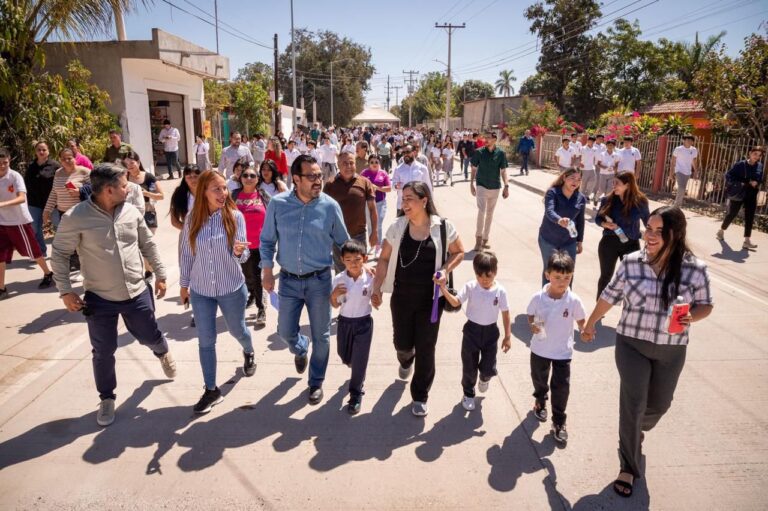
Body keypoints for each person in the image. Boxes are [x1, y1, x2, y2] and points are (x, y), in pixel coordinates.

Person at [582, 206, 714, 498]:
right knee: (633, 402)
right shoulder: (630, 263)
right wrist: (590, 323)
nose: (649, 236)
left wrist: (692, 316)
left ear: (674, 234)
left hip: (672, 350)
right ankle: (628, 465)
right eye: (648, 229)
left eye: (658, 231)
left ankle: (635, 429)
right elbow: (609, 297)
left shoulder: (695, 269)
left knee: (658, 406)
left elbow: (706, 303)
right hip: (631, 345)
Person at [51, 163, 176, 426]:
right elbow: (61, 253)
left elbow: (147, 243)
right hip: (99, 298)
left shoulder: (131, 210)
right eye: (123, 184)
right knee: (103, 351)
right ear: (108, 190)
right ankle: (107, 398)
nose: (128, 187)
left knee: (149, 335)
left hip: (137, 291)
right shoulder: (76, 217)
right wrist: (66, 291)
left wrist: (161, 275)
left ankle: (162, 350)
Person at [260, 154, 349, 405]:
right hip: (288, 281)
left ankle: (316, 382)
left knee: (321, 335)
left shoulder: (330, 206)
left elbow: (344, 243)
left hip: (320, 281)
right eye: (312, 176)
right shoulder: (278, 204)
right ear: (296, 179)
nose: (318, 180)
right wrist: (267, 271)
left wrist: (358, 268)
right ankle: (300, 348)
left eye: (320, 175)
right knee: (285, 331)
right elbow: (267, 241)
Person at [371, 182, 464, 417]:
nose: (404, 204)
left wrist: (444, 269)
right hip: (401, 297)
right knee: (402, 344)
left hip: (430, 301)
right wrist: (377, 287)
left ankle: (420, 394)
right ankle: (405, 359)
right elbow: (383, 259)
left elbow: (459, 251)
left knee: (426, 347)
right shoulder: (397, 227)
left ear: (424, 201)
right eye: (403, 199)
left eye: (409, 199)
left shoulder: (443, 227)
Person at [179, 171, 256, 414]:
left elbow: (243, 255)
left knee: (237, 330)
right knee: (206, 340)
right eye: (217, 189)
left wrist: (238, 251)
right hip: (201, 290)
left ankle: (248, 350)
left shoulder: (235, 217)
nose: (223, 193)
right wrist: (184, 285)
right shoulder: (192, 219)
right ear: (203, 191)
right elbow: (186, 253)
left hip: (231, 288)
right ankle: (211, 390)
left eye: (224, 188)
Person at [526, 251, 586, 445]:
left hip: (562, 352)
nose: (562, 282)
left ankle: (559, 421)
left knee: (561, 388)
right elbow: (530, 314)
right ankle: (540, 401)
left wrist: (585, 330)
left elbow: (581, 320)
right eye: (557, 277)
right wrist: (533, 325)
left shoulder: (574, 300)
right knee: (539, 379)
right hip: (540, 349)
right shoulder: (538, 298)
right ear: (547, 275)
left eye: (567, 277)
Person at [439, 251, 510, 412]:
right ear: (475, 273)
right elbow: (456, 302)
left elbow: (505, 313)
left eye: (488, 276)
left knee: (488, 367)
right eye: (480, 275)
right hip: (471, 332)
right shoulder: (471, 287)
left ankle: (484, 378)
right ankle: (468, 393)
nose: (484, 279)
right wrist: (443, 289)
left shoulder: (500, 291)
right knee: (469, 366)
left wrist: (507, 336)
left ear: (495, 272)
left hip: (491, 333)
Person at [0, 148, 54, 299]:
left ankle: (48, 274)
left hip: (19, 221)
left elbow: (21, 198)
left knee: (33, 252)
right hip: (1, 223)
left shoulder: (15, 176)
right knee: (0, 256)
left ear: (9, 160)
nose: (2, 166)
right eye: (0, 163)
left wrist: (2, 205)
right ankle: (2, 288)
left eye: (5, 162)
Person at [331, 239, 375, 415]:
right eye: (348, 260)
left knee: (359, 361)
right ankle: (354, 366)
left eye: (357, 259)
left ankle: (355, 394)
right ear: (342, 260)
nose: (353, 264)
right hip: (345, 323)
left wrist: (377, 298)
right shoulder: (339, 279)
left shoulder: (370, 277)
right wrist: (334, 296)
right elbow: (334, 305)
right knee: (344, 355)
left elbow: (376, 296)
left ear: (364, 258)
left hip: (364, 323)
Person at [595, 173, 650, 299]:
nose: (614, 186)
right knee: (606, 276)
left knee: (632, 278)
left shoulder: (640, 202)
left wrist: (650, 237)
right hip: (609, 243)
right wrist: (605, 224)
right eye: (613, 182)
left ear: (628, 185)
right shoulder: (607, 200)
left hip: (631, 244)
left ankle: (630, 310)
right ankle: (599, 311)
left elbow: (648, 223)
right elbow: (598, 219)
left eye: (617, 183)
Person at [323, 152, 378, 272]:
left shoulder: (364, 182)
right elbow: (323, 212)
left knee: (360, 271)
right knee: (341, 273)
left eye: (351, 163)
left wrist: (374, 232)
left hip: (359, 236)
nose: (348, 166)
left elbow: (372, 209)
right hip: (337, 238)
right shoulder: (329, 185)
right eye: (344, 163)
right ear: (338, 165)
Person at [538, 168, 585, 286]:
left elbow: (580, 220)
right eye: (572, 178)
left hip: (569, 241)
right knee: (550, 270)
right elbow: (549, 211)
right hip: (548, 238)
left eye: (579, 179)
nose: (575, 182)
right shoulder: (553, 192)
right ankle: (545, 299)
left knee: (568, 272)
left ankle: (566, 300)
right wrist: (559, 220)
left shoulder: (581, 198)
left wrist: (579, 241)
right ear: (564, 178)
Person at [233, 166, 267, 326]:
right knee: (246, 275)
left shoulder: (263, 195)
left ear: (257, 179)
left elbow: (274, 213)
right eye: (245, 175)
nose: (248, 178)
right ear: (240, 178)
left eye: (252, 175)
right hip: (240, 245)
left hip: (260, 244)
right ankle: (252, 295)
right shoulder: (234, 195)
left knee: (256, 275)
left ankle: (261, 308)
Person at [717, 146, 764, 250]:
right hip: (739, 192)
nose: (757, 157)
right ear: (750, 153)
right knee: (732, 214)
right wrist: (745, 182)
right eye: (755, 154)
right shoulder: (740, 165)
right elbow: (728, 176)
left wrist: (757, 182)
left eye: (759, 155)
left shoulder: (760, 165)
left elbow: (760, 177)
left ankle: (747, 241)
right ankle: (721, 231)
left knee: (750, 216)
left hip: (751, 193)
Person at [470, 131, 509, 251]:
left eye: (488, 138)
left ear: (494, 139)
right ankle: (478, 239)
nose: (486, 139)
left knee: (490, 214)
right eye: (485, 137)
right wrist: (471, 183)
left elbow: (503, 171)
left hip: (495, 187)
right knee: (481, 212)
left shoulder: (501, 153)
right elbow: (473, 169)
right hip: (481, 185)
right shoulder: (479, 152)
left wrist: (506, 185)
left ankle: (485, 239)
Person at [24, 141, 58, 257]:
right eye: (39, 150)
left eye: (44, 149)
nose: (41, 152)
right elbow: (26, 184)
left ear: (48, 151)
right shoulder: (31, 166)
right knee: (34, 228)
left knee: (59, 226)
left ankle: (65, 252)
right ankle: (40, 252)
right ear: (35, 152)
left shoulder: (55, 166)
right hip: (34, 202)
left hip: (52, 202)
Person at [43, 148, 90, 229]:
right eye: (63, 159)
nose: (67, 161)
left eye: (69, 158)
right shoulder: (58, 173)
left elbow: (97, 188)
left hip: (80, 212)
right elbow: (54, 192)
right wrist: (47, 210)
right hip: (63, 213)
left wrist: (80, 191)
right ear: (60, 160)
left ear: (75, 158)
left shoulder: (85, 171)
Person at [360, 154, 392, 258]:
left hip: (380, 203)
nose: (374, 164)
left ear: (379, 163)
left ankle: (378, 247)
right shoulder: (364, 173)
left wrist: (377, 188)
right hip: (368, 203)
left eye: (376, 162)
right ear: (369, 163)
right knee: (370, 224)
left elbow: (389, 188)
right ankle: (372, 244)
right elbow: (360, 187)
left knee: (378, 224)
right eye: (372, 162)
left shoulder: (383, 173)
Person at [391, 144, 432, 214]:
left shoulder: (422, 168)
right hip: (402, 206)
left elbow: (428, 187)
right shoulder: (398, 169)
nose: (405, 154)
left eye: (408, 152)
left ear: (414, 152)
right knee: (401, 225)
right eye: (404, 153)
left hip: (418, 206)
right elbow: (393, 186)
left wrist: (430, 204)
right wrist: (396, 186)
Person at [670, 135, 698, 208]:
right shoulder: (678, 149)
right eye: (687, 140)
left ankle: (678, 203)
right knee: (681, 187)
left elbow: (694, 161)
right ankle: (676, 205)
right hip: (679, 170)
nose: (689, 141)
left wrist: (695, 172)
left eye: (691, 140)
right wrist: (671, 173)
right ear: (684, 140)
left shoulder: (694, 150)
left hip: (688, 172)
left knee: (682, 188)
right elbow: (673, 161)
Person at [580, 135, 601, 206]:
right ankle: (581, 196)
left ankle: (586, 194)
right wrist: (580, 163)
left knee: (593, 182)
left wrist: (596, 164)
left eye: (592, 141)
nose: (591, 142)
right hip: (584, 168)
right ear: (587, 141)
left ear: (594, 142)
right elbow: (578, 156)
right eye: (589, 141)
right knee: (583, 183)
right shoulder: (583, 148)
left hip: (592, 168)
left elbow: (597, 158)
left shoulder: (595, 149)